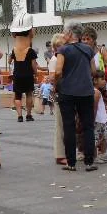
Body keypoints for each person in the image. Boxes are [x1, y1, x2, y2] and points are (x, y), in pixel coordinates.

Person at [55, 22, 97, 172]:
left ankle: (71, 162)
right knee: (88, 126)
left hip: (67, 92)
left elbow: (58, 71)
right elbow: (93, 70)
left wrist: (56, 84)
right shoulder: (88, 49)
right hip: (86, 91)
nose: (63, 35)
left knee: (69, 126)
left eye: (65, 32)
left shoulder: (63, 50)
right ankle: (89, 162)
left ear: (69, 34)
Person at [83, 26, 107, 131]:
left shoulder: (101, 50)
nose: (85, 41)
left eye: (88, 39)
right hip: (85, 88)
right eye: (83, 39)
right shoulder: (81, 51)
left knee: (101, 118)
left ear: (94, 39)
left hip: (100, 89)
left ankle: (100, 135)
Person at [9, 13, 38, 122]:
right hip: (28, 75)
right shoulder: (30, 51)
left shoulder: (14, 50)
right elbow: (34, 65)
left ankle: (19, 116)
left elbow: (9, 61)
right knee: (29, 94)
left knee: (18, 96)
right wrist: (36, 74)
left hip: (17, 74)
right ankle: (29, 115)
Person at [47, 33, 66, 165]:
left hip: (64, 92)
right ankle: (60, 154)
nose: (62, 48)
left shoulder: (60, 58)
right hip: (60, 93)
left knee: (65, 124)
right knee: (60, 124)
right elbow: (53, 78)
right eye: (59, 45)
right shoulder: (55, 60)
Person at [91, 70, 107, 164]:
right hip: (98, 120)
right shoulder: (96, 93)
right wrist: (93, 120)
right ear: (95, 80)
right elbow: (94, 108)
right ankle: (94, 156)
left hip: (103, 119)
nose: (104, 81)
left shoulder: (98, 92)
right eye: (102, 79)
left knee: (105, 135)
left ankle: (103, 154)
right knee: (96, 138)